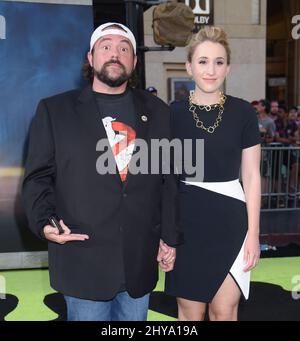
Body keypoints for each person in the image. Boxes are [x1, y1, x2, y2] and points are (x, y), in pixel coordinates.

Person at [22, 22, 182, 321]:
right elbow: (37, 178)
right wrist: (45, 222)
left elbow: (167, 180)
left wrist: (169, 237)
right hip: (84, 260)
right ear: (90, 57)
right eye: (106, 46)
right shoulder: (55, 111)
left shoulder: (158, 111)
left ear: (134, 62)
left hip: (139, 262)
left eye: (124, 49)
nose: (115, 54)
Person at [165, 26, 261, 321]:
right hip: (186, 225)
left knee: (224, 311)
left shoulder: (244, 113)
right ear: (189, 66)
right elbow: (164, 179)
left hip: (232, 222)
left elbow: (252, 176)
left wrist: (254, 234)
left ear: (228, 67)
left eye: (218, 62)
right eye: (203, 61)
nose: (211, 70)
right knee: (190, 313)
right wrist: (164, 235)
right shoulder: (171, 114)